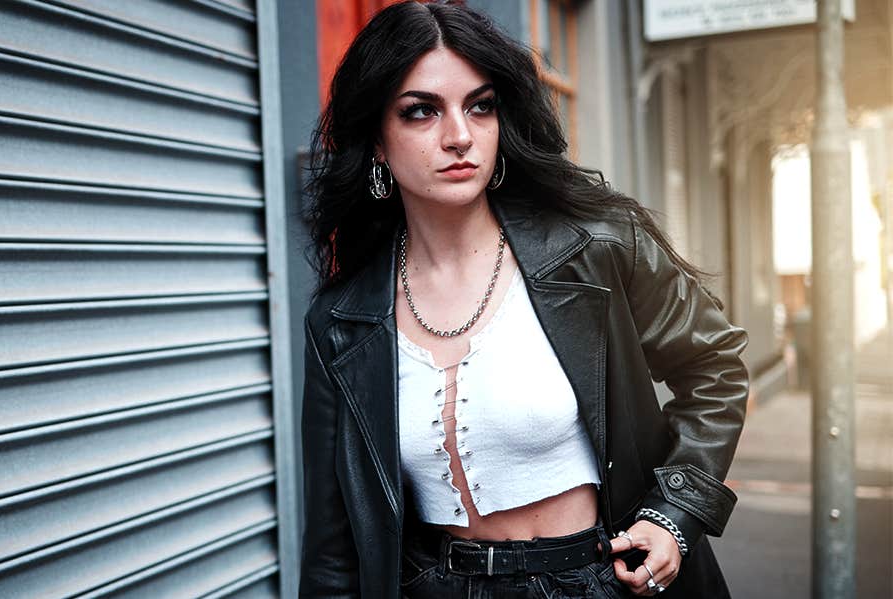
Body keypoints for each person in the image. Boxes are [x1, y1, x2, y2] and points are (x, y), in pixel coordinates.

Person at [298, 2, 749, 598]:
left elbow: (713, 368)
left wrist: (672, 516)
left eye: (479, 106)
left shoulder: (596, 248)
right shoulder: (341, 321)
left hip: (595, 579)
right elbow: (334, 549)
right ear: (376, 141)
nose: (459, 136)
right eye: (420, 112)